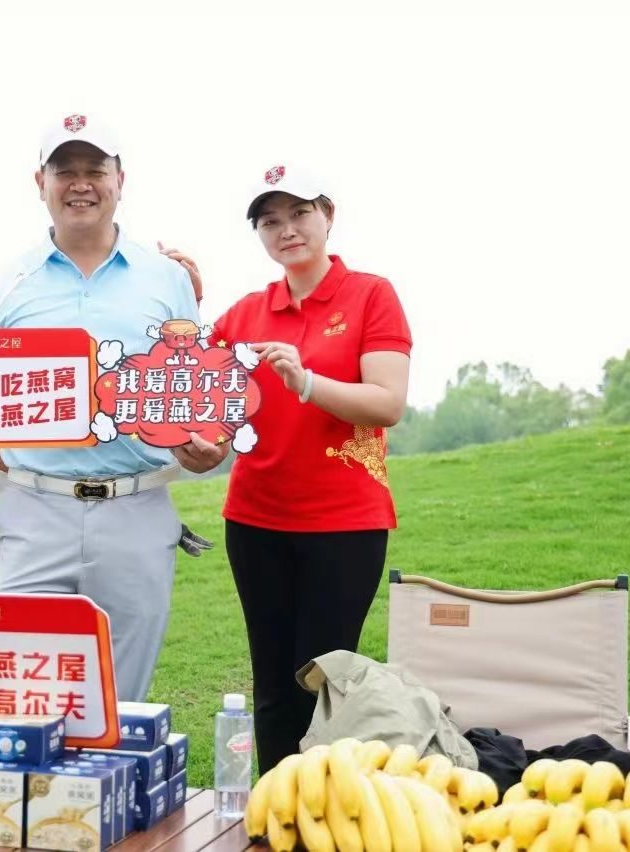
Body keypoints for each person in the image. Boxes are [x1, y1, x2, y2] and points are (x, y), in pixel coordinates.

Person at [0, 114, 226, 702]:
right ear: (40, 182)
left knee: (120, 702)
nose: (80, 183)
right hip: (36, 510)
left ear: (120, 181)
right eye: (65, 170)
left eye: (95, 170)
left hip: (137, 507)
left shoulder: (168, 277)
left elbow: (191, 391)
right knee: (13, 693)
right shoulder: (5, 278)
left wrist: (201, 446)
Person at [208, 163, 412, 774]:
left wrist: (306, 382)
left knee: (324, 680)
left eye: (299, 213)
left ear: (328, 215)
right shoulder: (244, 314)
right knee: (272, 682)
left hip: (344, 523)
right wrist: (198, 444)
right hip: (256, 520)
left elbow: (387, 402)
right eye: (270, 221)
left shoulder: (370, 295)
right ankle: (276, 807)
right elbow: (201, 400)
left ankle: (327, 805)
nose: (287, 230)